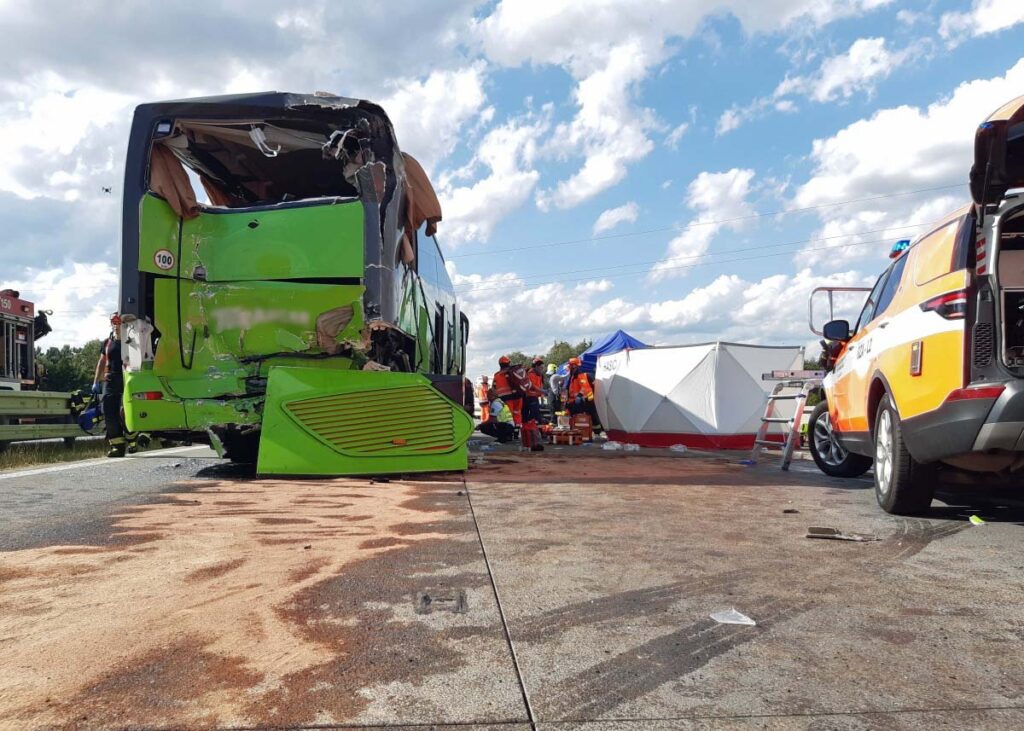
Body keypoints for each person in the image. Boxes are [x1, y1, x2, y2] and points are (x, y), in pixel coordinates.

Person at [93, 313, 127, 457]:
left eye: (118, 321)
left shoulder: (130, 340)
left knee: (127, 411)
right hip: (111, 379)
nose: (115, 324)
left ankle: (133, 440)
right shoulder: (107, 342)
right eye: (113, 321)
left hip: (128, 378)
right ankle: (117, 446)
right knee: (109, 412)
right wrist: (95, 382)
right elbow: (101, 362)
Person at [492, 355, 528, 426]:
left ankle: (510, 431)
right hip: (518, 396)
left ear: (500, 364)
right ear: (509, 363)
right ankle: (517, 430)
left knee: (509, 415)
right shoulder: (514, 371)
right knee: (517, 413)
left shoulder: (497, 375)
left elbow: (494, 388)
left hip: (506, 398)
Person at [565, 356, 599, 427]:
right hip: (575, 402)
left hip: (586, 401)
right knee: (576, 419)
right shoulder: (571, 377)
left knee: (591, 417)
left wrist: (579, 396)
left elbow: (586, 388)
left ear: (576, 366)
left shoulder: (583, 375)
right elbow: (569, 390)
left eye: (572, 366)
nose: (571, 368)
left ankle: (597, 432)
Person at [524, 357, 546, 424]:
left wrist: (542, 398)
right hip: (529, 398)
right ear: (536, 366)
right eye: (541, 368)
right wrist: (543, 391)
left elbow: (540, 386)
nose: (542, 369)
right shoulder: (530, 374)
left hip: (534, 398)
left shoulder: (539, 375)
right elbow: (532, 386)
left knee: (534, 416)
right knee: (535, 417)